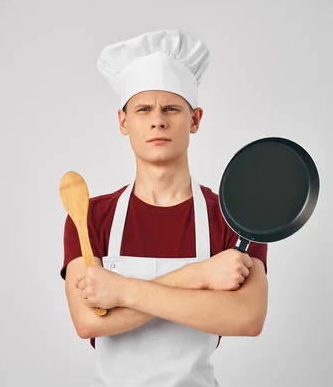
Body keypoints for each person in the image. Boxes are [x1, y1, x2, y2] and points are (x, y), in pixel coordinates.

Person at [59, 29, 269, 387]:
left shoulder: (234, 216)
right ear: (124, 122)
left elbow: (247, 318)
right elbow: (89, 322)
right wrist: (200, 277)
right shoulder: (90, 217)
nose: (158, 120)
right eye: (143, 109)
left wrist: (120, 292)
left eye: (171, 108)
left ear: (195, 119)